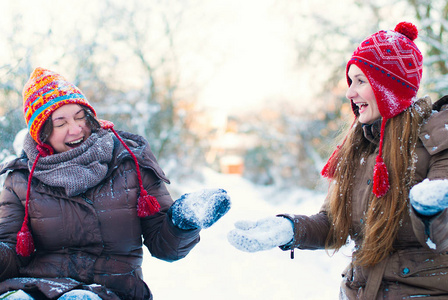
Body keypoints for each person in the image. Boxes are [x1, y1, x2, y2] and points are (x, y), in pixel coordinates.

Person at [228, 21, 448, 299]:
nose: (349, 93)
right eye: (350, 81)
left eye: (360, 81)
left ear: (388, 86)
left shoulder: (439, 141)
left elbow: (442, 235)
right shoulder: (360, 145)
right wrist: (289, 229)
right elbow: (335, 224)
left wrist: (429, 210)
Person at [0, 67, 231, 300]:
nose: (76, 128)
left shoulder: (129, 162)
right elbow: (10, 255)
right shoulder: (21, 179)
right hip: (39, 287)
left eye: (80, 116)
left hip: (114, 290)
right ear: (42, 135)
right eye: (60, 124)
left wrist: (183, 220)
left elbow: (165, 247)